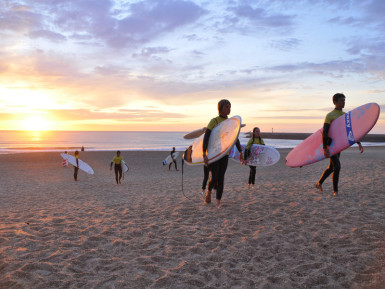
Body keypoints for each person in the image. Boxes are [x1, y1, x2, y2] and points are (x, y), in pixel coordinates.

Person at [315, 93, 363, 196]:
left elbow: (350, 132)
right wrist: (324, 147)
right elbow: (325, 132)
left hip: (339, 145)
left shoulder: (345, 116)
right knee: (337, 166)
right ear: (335, 102)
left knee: (332, 167)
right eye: (341, 100)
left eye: (344, 100)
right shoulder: (330, 115)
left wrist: (358, 143)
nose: (344, 102)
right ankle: (335, 191)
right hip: (331, 145)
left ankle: (319, 183)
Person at [203, 99, 244, 207]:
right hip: (213, 154)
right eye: (226, 106)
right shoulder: (214, 121)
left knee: (221, 177)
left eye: (230, 106)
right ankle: (209, 191)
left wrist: (240, 151)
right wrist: (204, 153)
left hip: (224, 154)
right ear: (220, 108)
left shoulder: (230, 122)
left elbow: (235, 138)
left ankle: (218, 201)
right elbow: (206, 137)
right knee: (214, 177)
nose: (229, 109)